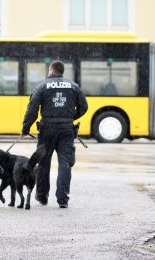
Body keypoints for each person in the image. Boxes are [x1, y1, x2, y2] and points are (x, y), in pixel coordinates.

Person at [20, 60, 88, 208]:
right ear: (62, 72)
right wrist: (70, 117)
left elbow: (32, 109)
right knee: (65, 164)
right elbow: (84, 107)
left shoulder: (42, 86)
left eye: (49, 70)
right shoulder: (73, 86)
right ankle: (63, 199)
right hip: (67, 130)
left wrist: (25, 129)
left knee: (44, 163)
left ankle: (42, 196)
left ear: (51, 70)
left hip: (47, 130)